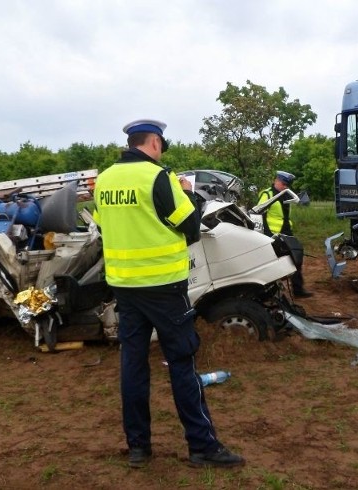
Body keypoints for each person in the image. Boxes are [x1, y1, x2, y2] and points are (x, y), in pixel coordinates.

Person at [93, 119, 245, 469]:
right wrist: (187, 194)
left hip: (124, 287)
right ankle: (202, 447)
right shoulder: (159, 177)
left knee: (133, 366)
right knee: (182, 362)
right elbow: (190, 226)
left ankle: (138, 449)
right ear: (155, 143)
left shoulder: (104, 180)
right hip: (163, 287)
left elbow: (105, 224)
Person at [257, 171, 313, 298]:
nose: (285, 186)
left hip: (286, 231)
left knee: (296, 257)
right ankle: (267, 292)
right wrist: (267, 233)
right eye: (283, 183)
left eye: (287, 185)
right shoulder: (267, 194)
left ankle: (298, 290)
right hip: (272, 233)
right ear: (276, 180)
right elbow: (259, 214)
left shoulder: (286, 194)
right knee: (273, 262)